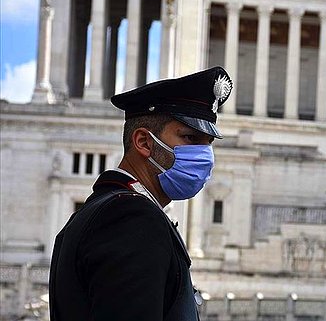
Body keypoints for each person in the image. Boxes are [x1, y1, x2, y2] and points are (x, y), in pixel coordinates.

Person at [49, 66, 233, 321]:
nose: (205, 156)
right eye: (191, 138)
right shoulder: (132, 217)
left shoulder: (99, 211)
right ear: (144, 142)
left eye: (208, 144)